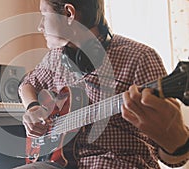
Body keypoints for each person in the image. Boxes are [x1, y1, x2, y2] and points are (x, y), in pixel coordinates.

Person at [16, 0, 189, 168]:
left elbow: (174, 159)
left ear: (69, 13)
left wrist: (176, 141)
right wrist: (32, 107)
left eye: (44, 15)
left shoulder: (139, 58)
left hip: (119, 162)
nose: (40, 26)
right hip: (58, 162)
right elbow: (27, 84)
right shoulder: (55, 57)